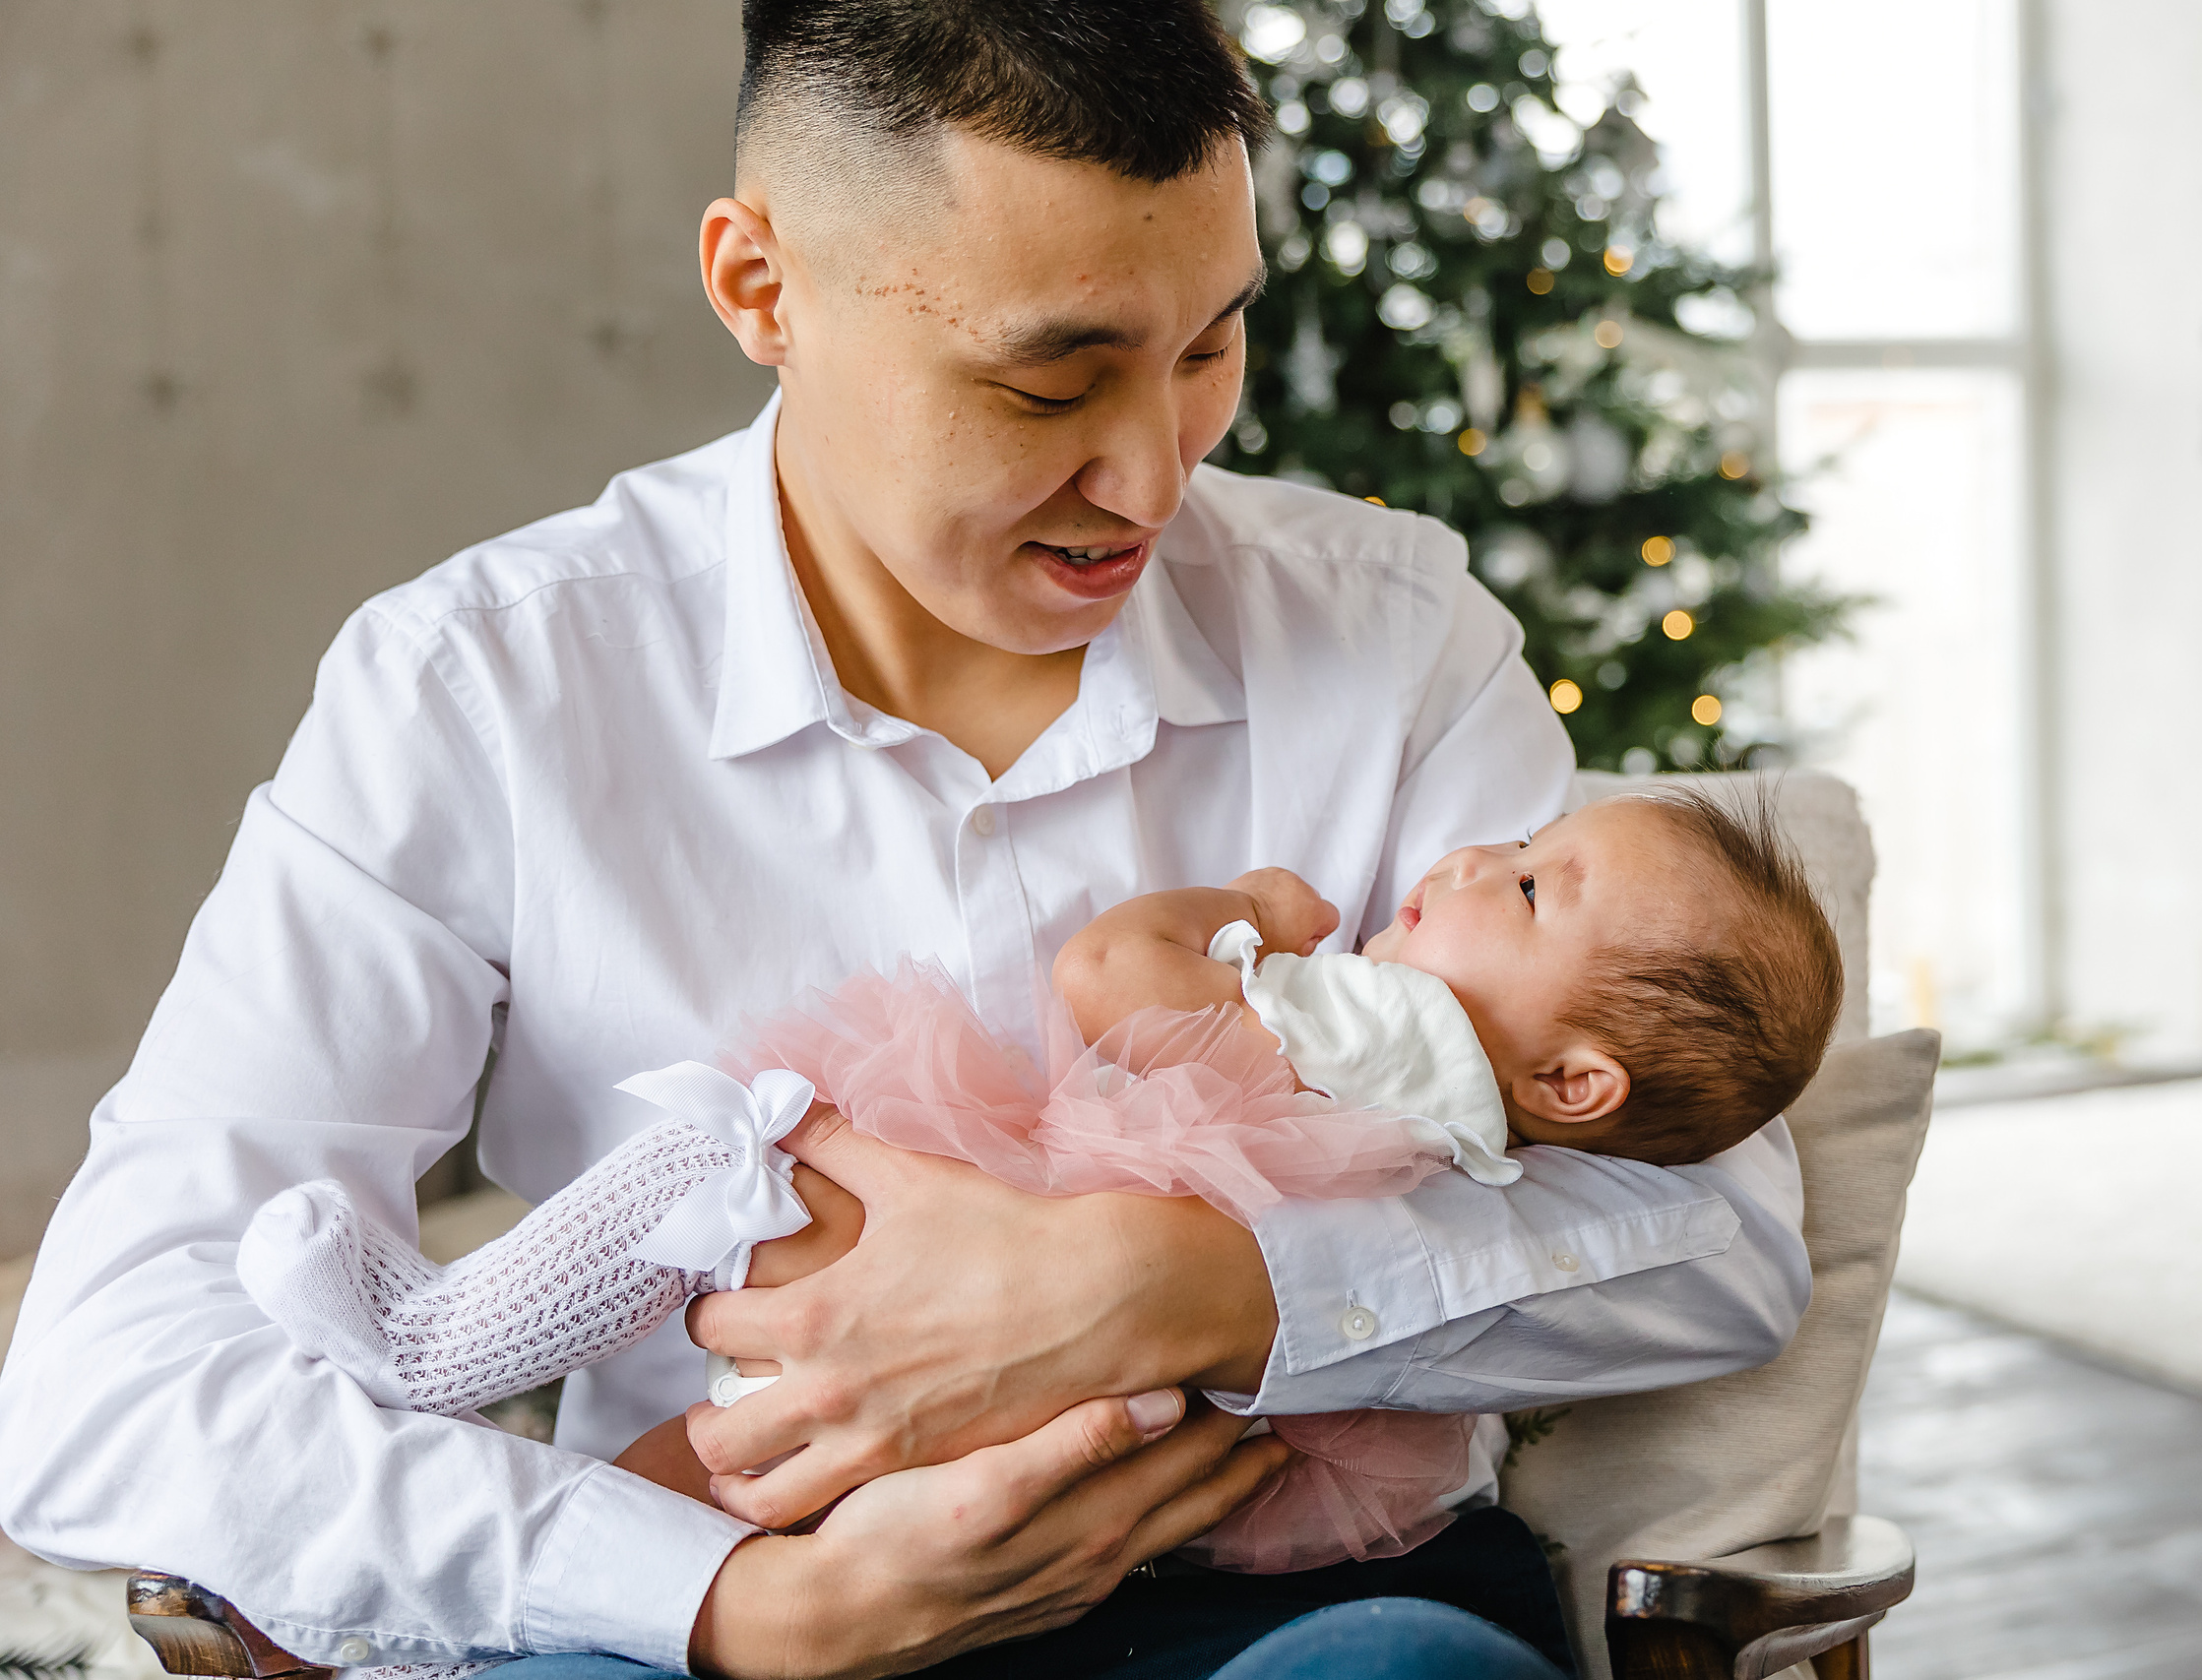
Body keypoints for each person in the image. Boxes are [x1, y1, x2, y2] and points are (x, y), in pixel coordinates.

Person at [0, 3, 1814, 1676]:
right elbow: (105, 1377)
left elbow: (1720, 1235)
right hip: (732, 1584)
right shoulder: (480, 686)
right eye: (1049, 386)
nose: (1156, 478)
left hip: (1281, 1606)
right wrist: (728, 1604)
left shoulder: (1391, 630)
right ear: (762, 282)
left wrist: (1173, 1290)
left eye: (1212, 341)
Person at [227, 789, 1842, 1584]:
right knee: (740, 1469)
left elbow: (1109, 976)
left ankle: (435, 1356)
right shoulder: (1486, 1087)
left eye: (1535, 880)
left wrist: (1254, 911)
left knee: (733, 1167)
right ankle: (557, 1514)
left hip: (1040, 1233)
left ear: (1577, 1088)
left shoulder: (1401, 1025)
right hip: (1172, 1442)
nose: (1478, 858)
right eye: (1523, 839)